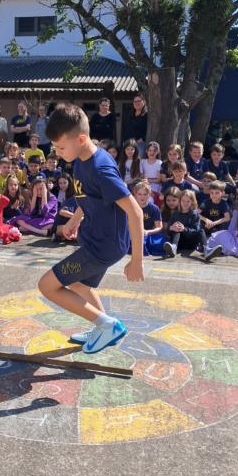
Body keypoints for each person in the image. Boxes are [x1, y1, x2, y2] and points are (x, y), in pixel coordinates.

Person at [35, 105, 143, 354]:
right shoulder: (81, 158)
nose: (59, 153)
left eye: (61, 148)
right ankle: (104, 328)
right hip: (97, 239)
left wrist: (136, 260)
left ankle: (109, 326)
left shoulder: (101, 168)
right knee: (81, 287)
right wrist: (75, 220)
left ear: (81, 139)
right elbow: (90, 195)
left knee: (47, 286)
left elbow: (135, 211)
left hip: (102, 246)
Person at [163, 189, 209, 258]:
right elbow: (167, 229)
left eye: (188, 201)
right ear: (179, 201)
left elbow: (195, 230)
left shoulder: (194, 214)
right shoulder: (175, 214)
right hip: (179, 243)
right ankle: (173, 248)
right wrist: (171, 228)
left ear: (192, 202)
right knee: (177, 228)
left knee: (201, 230)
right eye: (183, 201)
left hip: (191, 242)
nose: (185, 203)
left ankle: (207, 250)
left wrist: (184, 229)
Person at [133, 180, 166, 256]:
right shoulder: (131, 207)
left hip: (148, 234)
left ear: (149, 195)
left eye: (145, 194)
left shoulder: (154, 208)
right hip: (133, 234)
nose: (142, 197)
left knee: (161, 239)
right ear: (135, 194)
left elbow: (159, 228)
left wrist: (147, 232)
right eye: (139, 194)